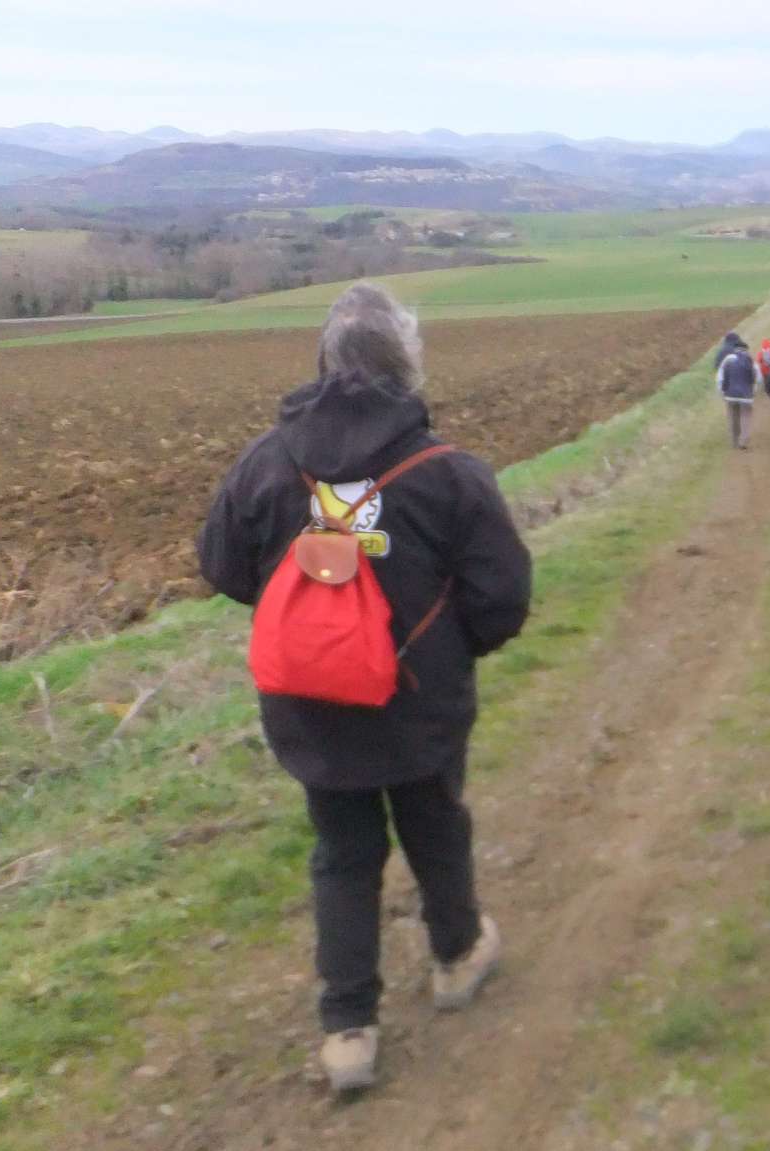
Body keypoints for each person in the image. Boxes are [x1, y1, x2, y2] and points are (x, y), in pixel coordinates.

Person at [196, 283, 532, 1093]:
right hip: (420, 700)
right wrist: (446, 650)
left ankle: (348, 1030)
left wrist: (307, 621)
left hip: (310, 708)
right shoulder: (448, 473)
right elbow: (503, 597)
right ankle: (456, 955)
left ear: (323, 359)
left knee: (342, 852)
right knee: (435, 823)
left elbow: (222, 565)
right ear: (406, 363)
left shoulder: (266, 463)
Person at [714, 330, 758, 449]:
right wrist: (754, 391)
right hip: (746, 395)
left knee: (733, 417)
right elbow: (756, 377)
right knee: (745, 416)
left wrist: (722, 391)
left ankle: (734, 441)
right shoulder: (749, 359)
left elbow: (721, 376)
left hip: (730, 395)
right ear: (746, 349)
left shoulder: (728, 359)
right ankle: (743, 441)